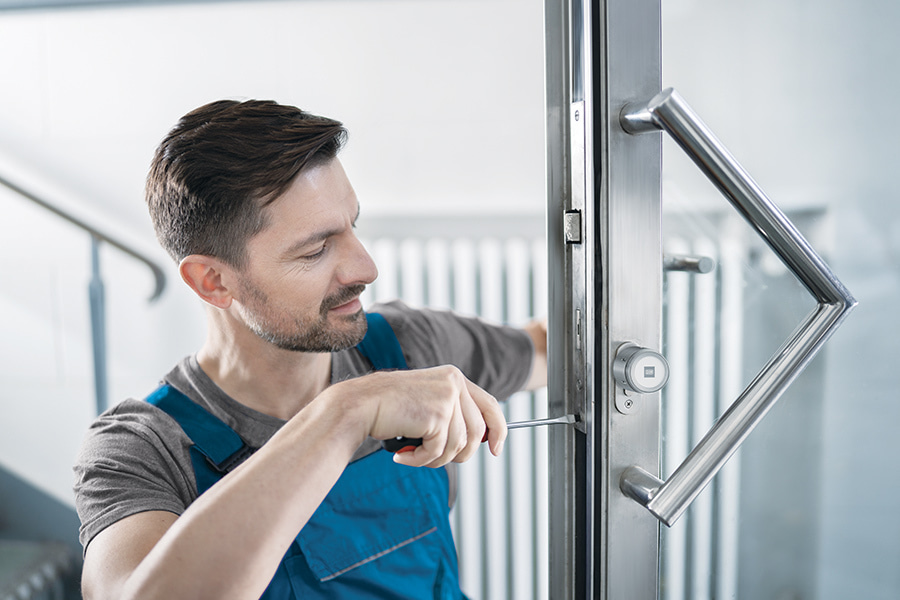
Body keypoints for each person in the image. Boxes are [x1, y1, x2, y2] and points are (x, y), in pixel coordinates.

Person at [72, 99, 547, 600]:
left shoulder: (408, 345)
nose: (365, 269)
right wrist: (345, 413)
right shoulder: (140, 448)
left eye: (353, 227)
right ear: (212, 281)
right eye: (316, 250)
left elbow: (548, 351)